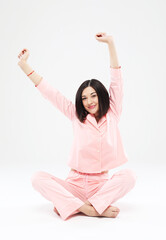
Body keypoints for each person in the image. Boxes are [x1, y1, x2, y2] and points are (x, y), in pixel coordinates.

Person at [17, 32, 137, 221]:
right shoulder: (75, 115)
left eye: (93, 95)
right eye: (84, 97)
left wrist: (110, 43)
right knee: (37, 178)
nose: (89, 101)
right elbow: (50, 92)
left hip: (101, 186)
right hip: (75, 184)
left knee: (129, 176)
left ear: (101, 95)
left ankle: (72, 206)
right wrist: (25, 66)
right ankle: (90, 209)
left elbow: (117, 81)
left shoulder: (113, 113)